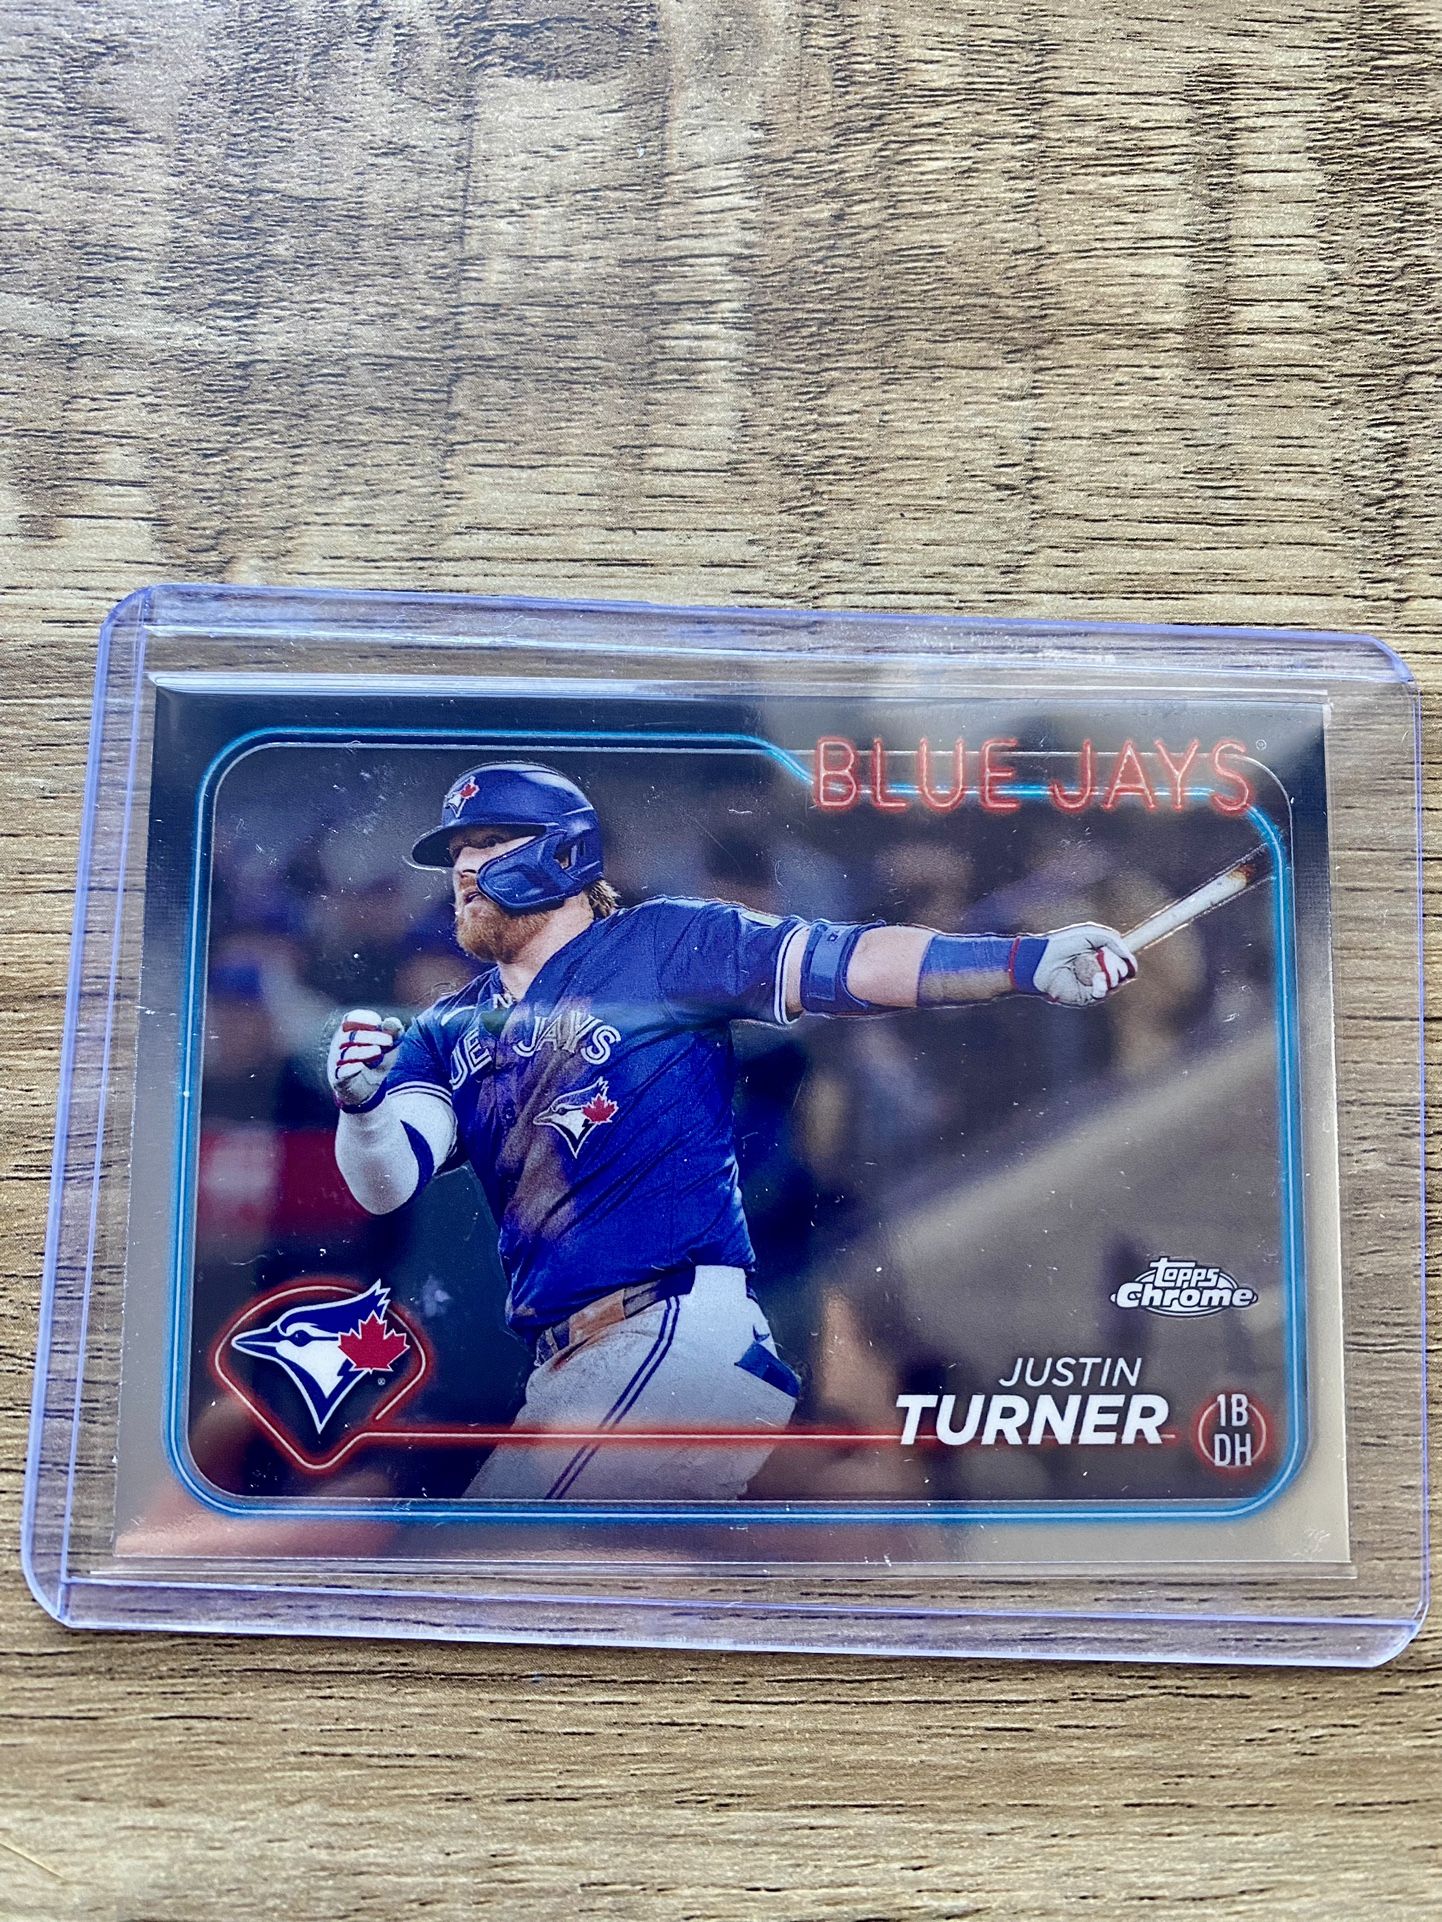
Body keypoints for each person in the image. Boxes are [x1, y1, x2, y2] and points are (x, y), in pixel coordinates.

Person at [326, 762, 1138, 1502]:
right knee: (589, 1578)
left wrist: (1022, 961)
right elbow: (388, 1177)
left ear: (565, 853)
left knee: (493, 1558)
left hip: (667, 1331)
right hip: (574, 1361)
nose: (465, 868)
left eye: (489, 842)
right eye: (456, 852)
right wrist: (361, 1107)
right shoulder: (446, 1028)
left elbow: (848, 961)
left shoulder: (662, 943)